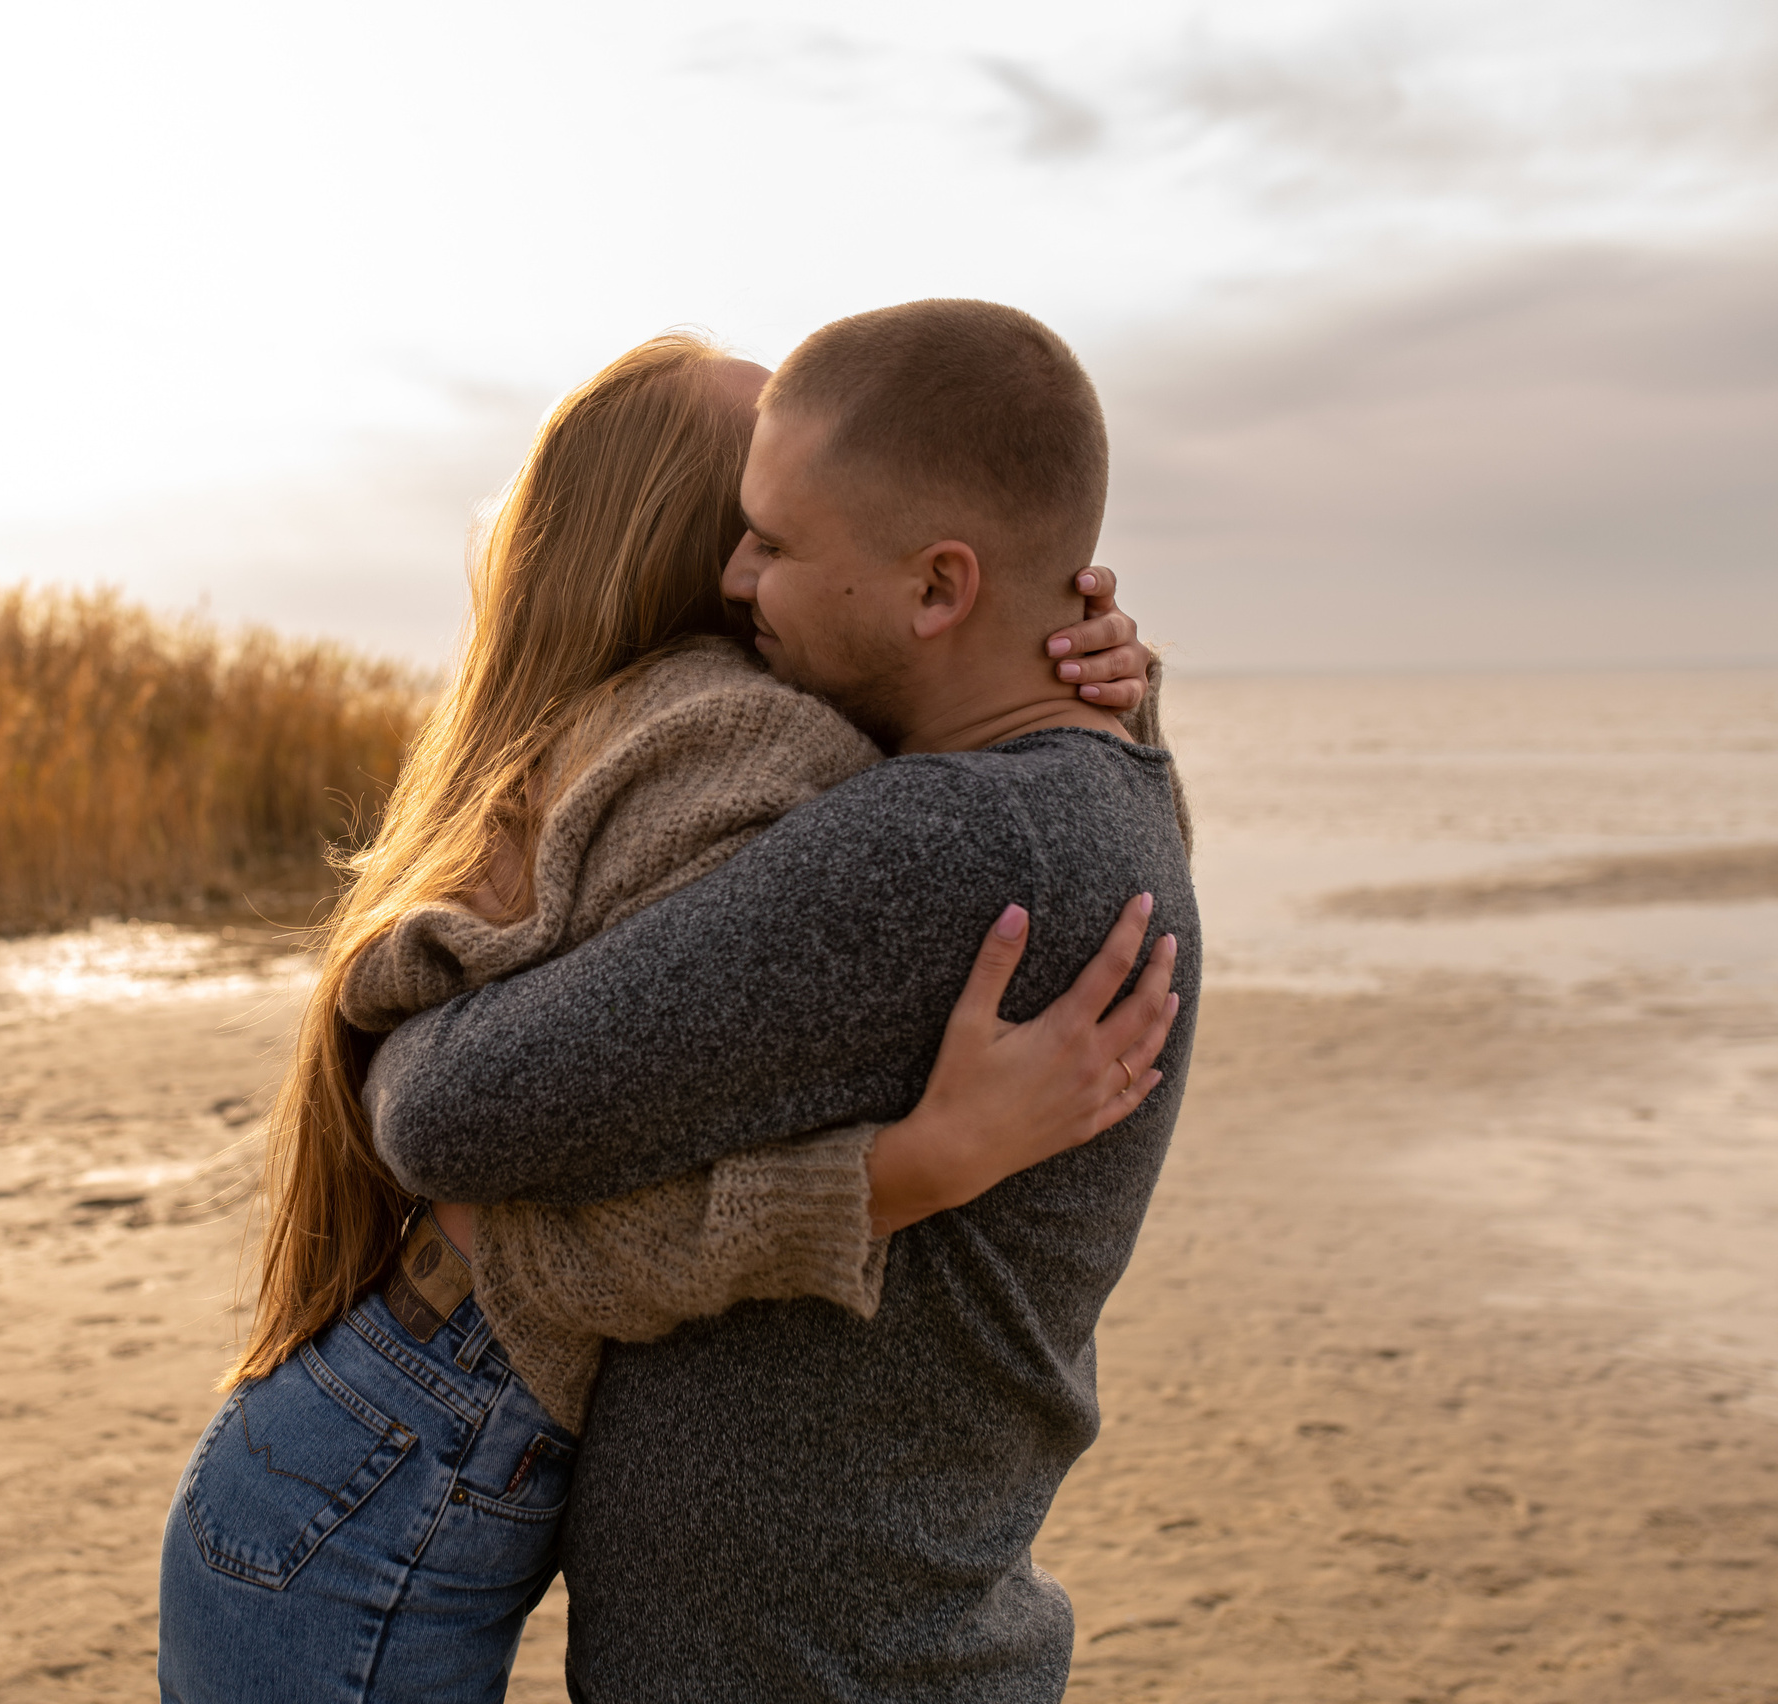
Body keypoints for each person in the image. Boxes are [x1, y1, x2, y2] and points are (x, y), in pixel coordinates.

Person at [156, 324, 1180, 1703]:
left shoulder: (931, 843)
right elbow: (449, 1115)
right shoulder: (1018, 801)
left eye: (776, 537)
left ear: (937, 584)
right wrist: (1108, 700)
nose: (743, 572)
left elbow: (444, 1112)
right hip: (689, 1600)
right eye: (739, 527)